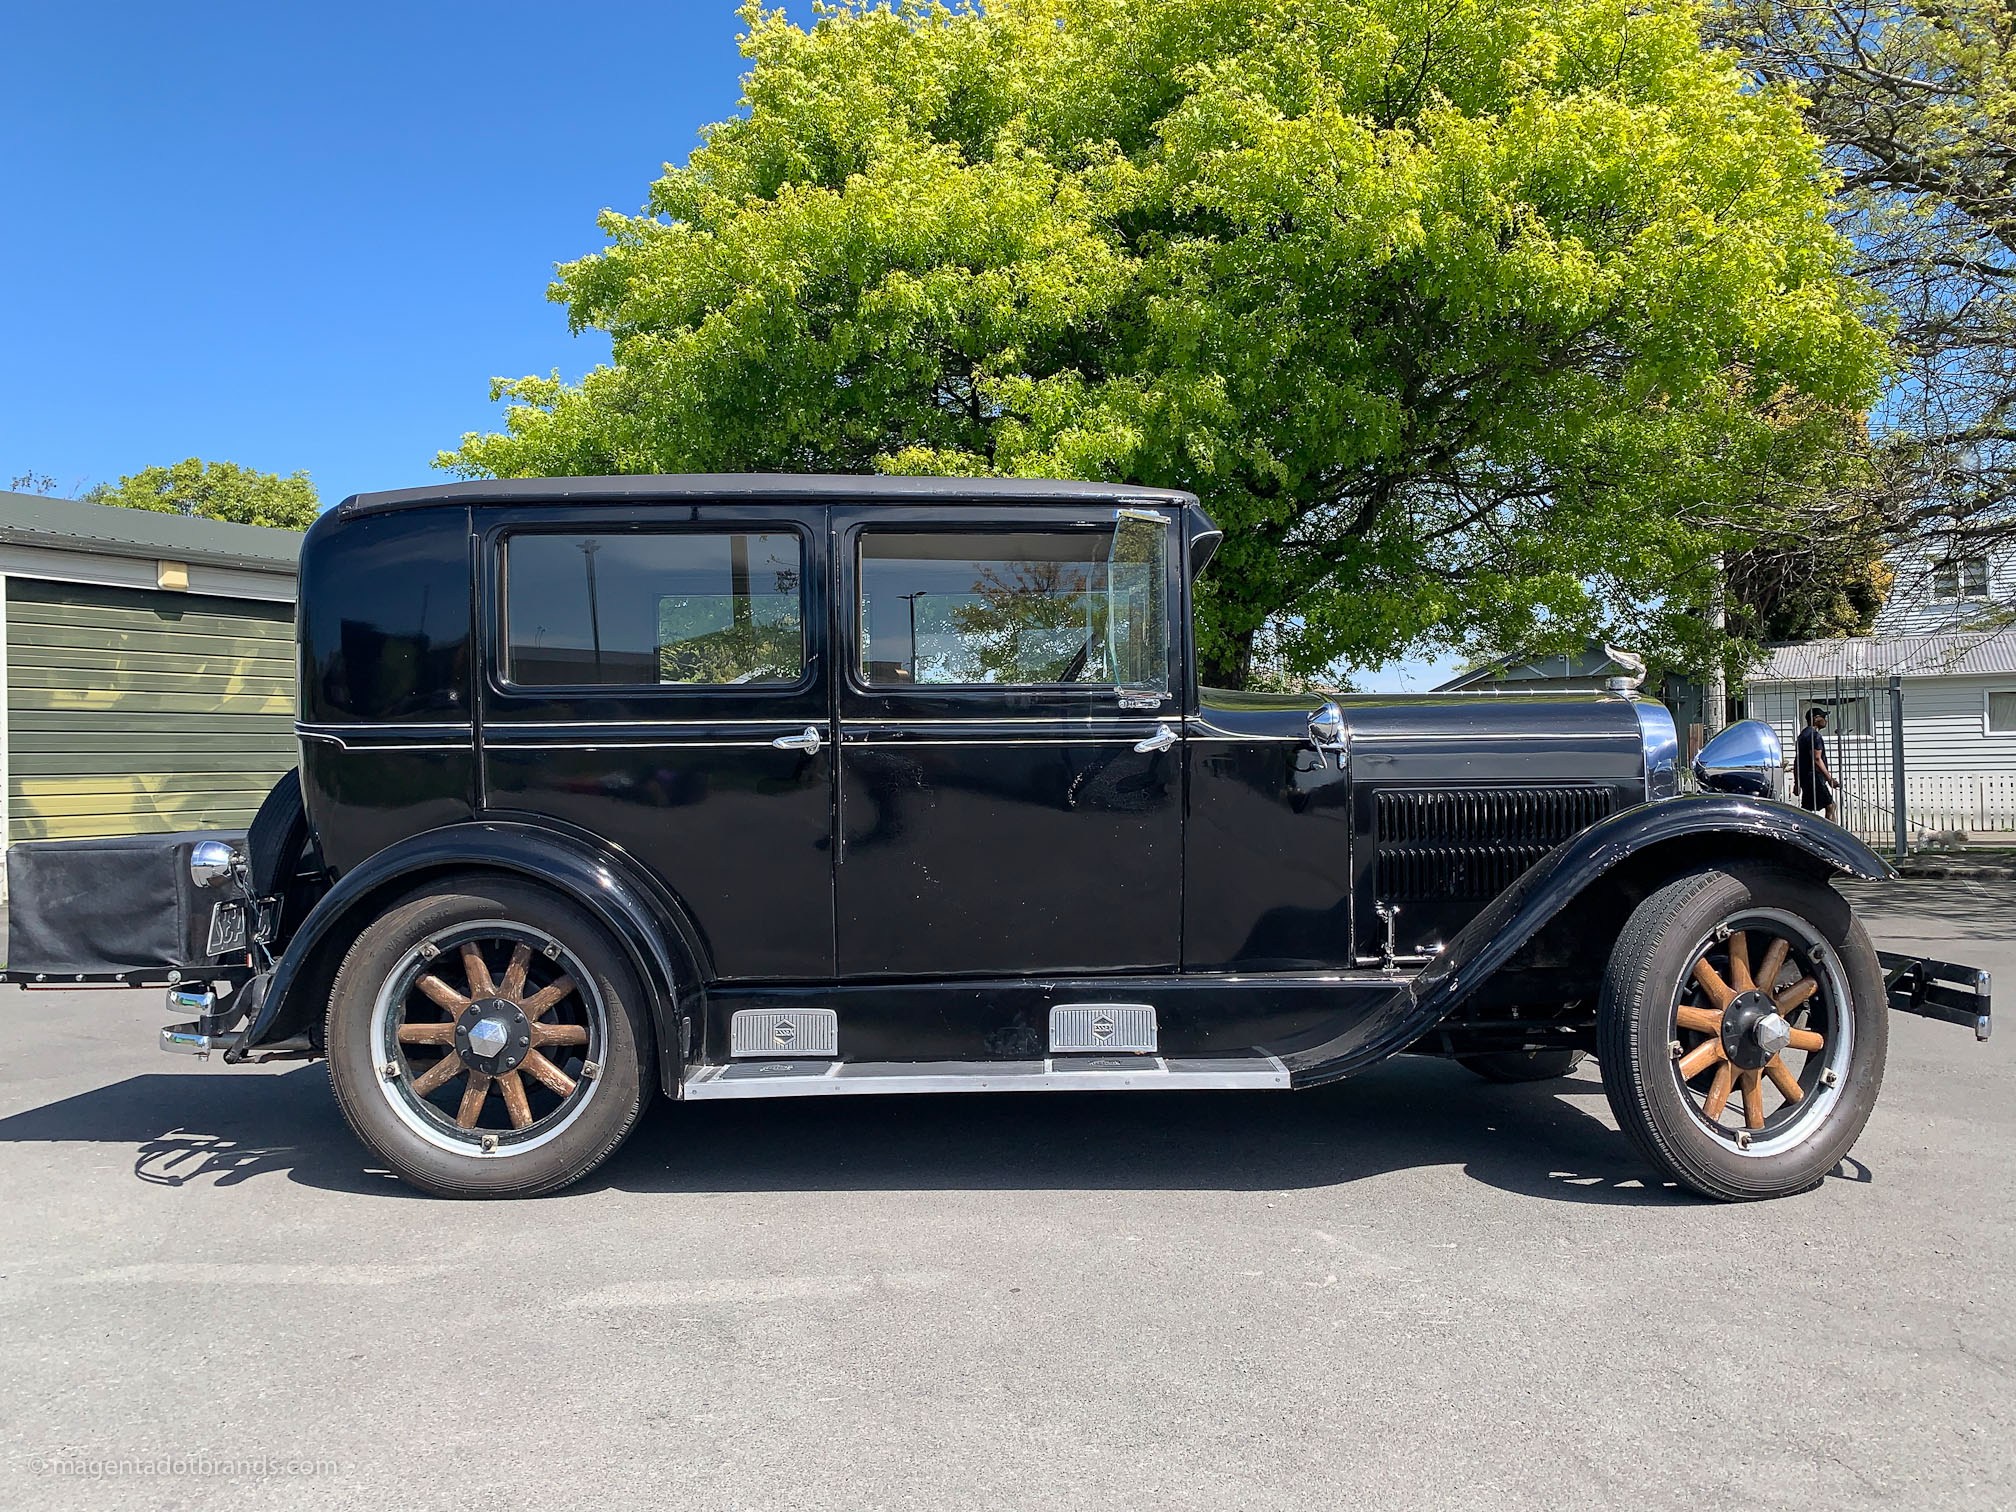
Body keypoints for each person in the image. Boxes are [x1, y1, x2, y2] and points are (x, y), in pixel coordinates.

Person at [1795, 707, 1837, 821]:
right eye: (1823, 717)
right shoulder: (1815, 736)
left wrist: (1797, 782)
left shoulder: (1802, 736)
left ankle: (1803, 828)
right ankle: (1830, 831)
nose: (1825, 720)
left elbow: (1797, 760)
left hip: (1805, 778)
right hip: (1815, 778)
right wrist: (1829, 779)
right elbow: (1817, 759)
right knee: (1830, 806)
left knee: (1807, 810)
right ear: (1816, 719)